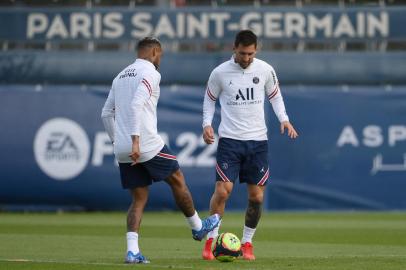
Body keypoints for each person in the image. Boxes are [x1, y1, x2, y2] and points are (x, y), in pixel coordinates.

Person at [101, 37, 220, 264]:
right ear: (155, 52)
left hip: (123, 148)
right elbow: (137, 104)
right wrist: (136, 142)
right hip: (145, 143)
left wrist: (119, 143)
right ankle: (197, 227)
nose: (160, 60)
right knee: (177, 179)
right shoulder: (152, 74)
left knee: (138, 199)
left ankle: (132, 251)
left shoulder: (120, 76)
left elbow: (106, 113)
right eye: (161, 55)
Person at [201, 30, 298, 261]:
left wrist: (283, 119)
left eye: (251, 53)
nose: (247, 58)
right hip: (230, 141)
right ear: (234, 48)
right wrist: (206, 124)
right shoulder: (220, 73)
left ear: (257, 50)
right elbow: (209, 99)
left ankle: (247, 243)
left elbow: (275, 96)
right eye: (243, 53)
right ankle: (210, 242)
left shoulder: (265, 69)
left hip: (258, 142)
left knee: (256, 198)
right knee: (223, 192)